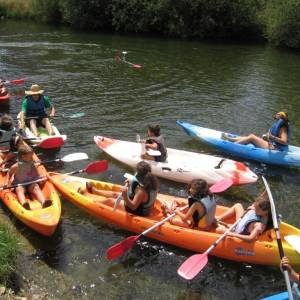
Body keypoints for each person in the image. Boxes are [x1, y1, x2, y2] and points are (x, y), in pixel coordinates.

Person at [6, 144, 51, 210]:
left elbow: (35, 174)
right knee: (19, 189)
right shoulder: (16, 166)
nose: (32, 158)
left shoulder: (32, 164)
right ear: (23, 156)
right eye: (30, 157)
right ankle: (24, 204)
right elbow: (9, 174)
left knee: (36, 187)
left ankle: (43, 202)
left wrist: (40, 178)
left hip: (30, 183)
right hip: (20, 184)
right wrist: (8, 183)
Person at [222, 111, 290, 150]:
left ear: (281, 118)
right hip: (273, 144)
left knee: (252, 137)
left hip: (276, 149)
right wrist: (267, 137)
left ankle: (231, 147)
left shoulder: (283, 128)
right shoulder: (279, 125)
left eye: (278, 116)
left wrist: (272, 137)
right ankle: (230, 139)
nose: (276, 117)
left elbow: (284, 141)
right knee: (251, 136)